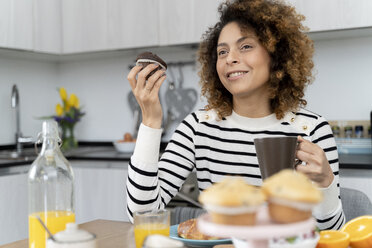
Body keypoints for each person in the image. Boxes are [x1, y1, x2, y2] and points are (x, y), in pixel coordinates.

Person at [126, 0, 345, 230]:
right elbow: (142, 214)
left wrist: (325, 183)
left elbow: (333, 234)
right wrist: (150, 121)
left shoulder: (310, 128)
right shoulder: (198, 127)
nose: (230, 58)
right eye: (222, 51)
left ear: (276, 55)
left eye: (246, 46)